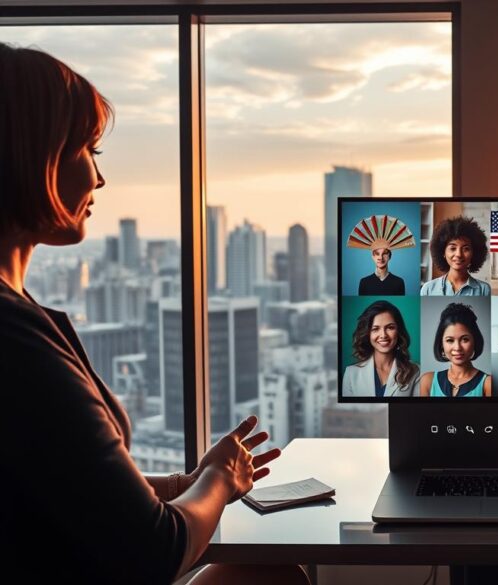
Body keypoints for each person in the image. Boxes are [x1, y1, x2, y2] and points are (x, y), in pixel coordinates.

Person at [0, 44, 307, 585]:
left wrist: (181, 482)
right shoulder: (14, 338)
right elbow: (156, 550)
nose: (99, 178)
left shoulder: (19, 317)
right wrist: (217, 479)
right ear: (34, 154)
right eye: (88, 150)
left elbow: (66, 482)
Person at [342, 300, 419, 397]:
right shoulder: (351, 373)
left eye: (390, 327)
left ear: (399, 331)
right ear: (367, 334)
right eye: (375, 329)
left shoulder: (416, 371)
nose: (383, 335)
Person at [419, 303, 492, 397]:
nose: (457, 347)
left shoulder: (488, 383)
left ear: (475, 341)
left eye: (465, 339)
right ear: (441, 344)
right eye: (450, 340)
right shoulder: (427, 381)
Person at [420, 215, 491, 296]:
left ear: (474, 253)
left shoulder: (484, 290)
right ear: (443, 252)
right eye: (453, 248)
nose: (458, 254)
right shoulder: (428, 289)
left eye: (466, 249)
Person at [347, 213, 414, 295]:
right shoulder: (364, 282)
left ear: (390, 256)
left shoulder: (399, 282)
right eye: (377, 254)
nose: (380, 257)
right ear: (372, 256)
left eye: (384, 253)